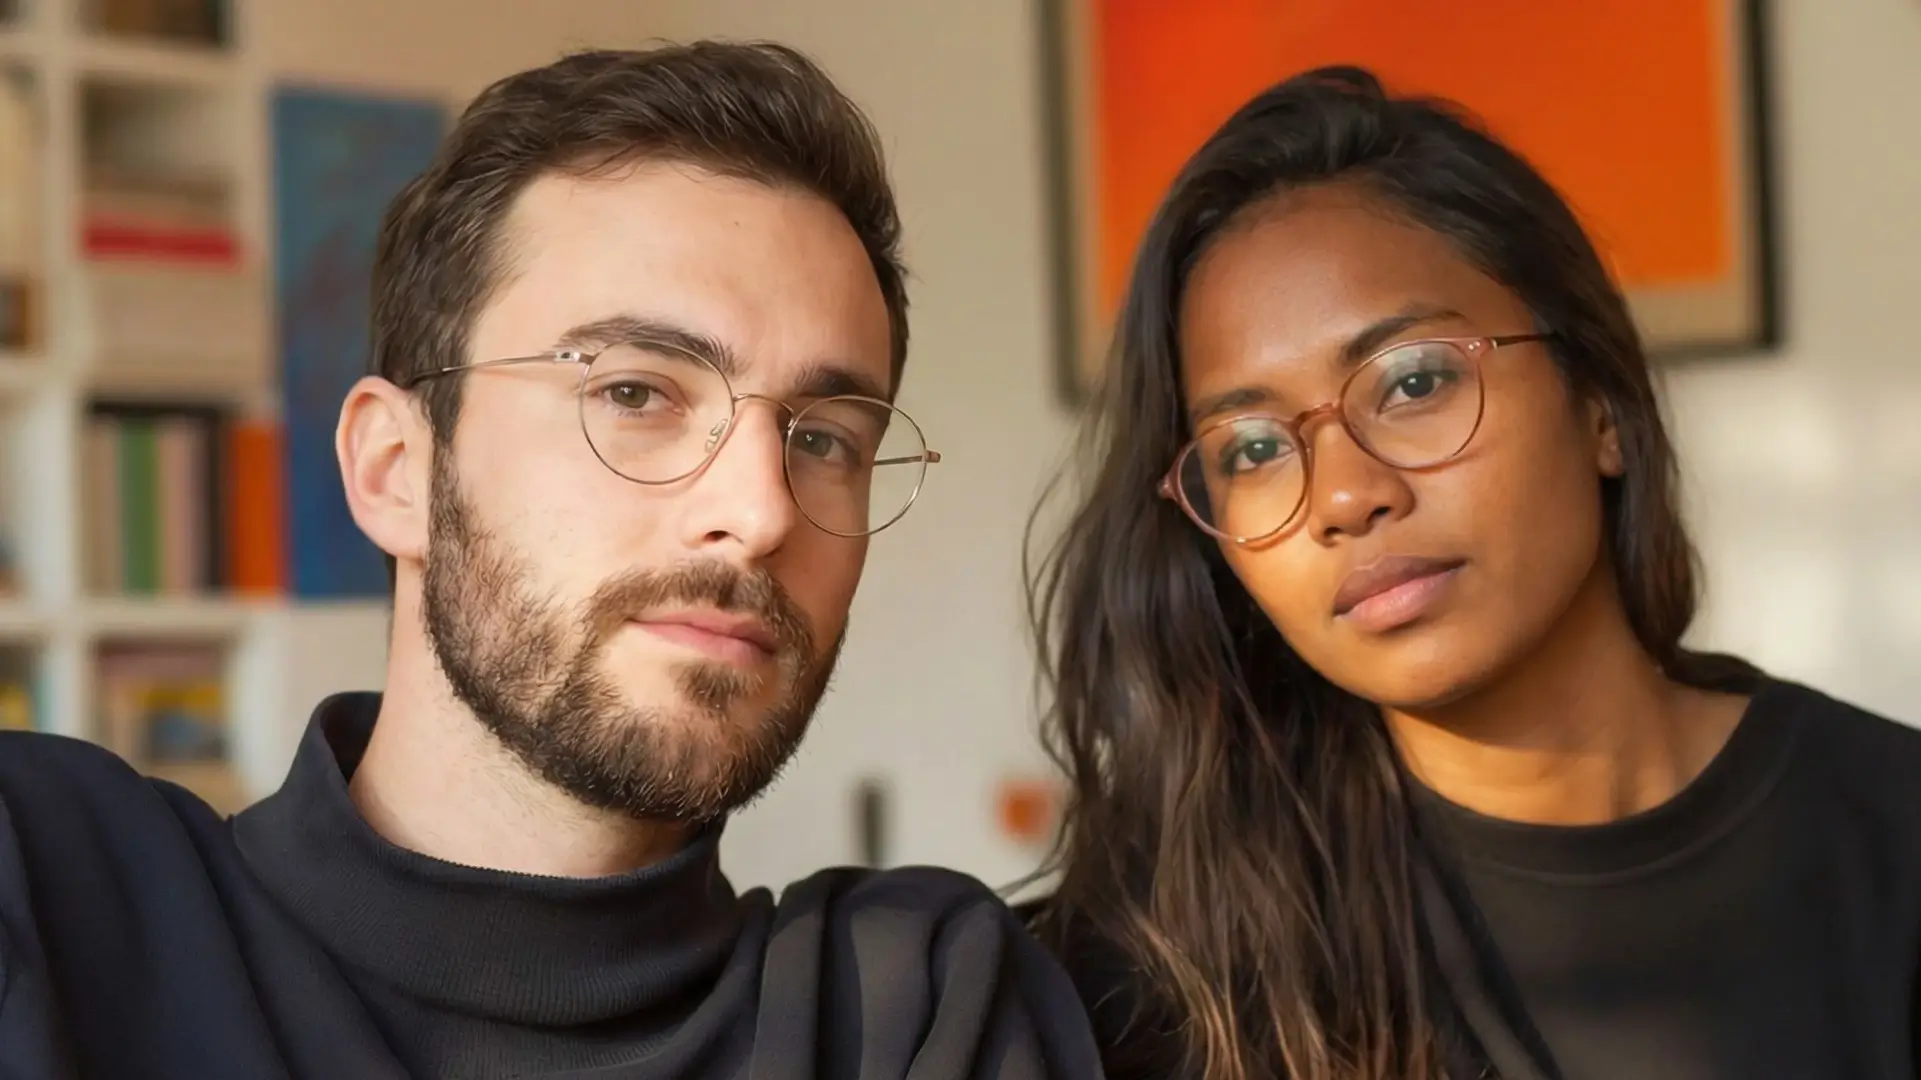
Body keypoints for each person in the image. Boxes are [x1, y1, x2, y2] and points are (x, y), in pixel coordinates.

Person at [0, 42, 1103, 1080]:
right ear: (395, 470)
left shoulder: (904, 1012)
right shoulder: (52, 892)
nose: (761, 510)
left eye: (823, 440)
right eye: (635, 392)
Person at [1024, 65, 1921, 1080]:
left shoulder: (1891, 841)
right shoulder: (1154, 971)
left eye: (1414, 381)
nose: (1344, 495)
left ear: (1599, 404)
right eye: (1254, 448)